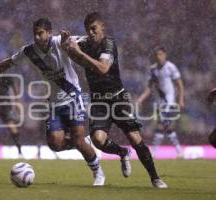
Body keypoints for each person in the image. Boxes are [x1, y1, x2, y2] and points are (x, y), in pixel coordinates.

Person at [0, 18, 105, 186]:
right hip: (53, 103)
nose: (37, 37)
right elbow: (8, 63)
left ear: (49, 33)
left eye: (40, 33)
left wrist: (88, 41)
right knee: (55, 143)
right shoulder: (29, 51)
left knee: (78, 140)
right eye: (35, 34)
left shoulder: (61, 41)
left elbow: (85, 40)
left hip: (72, 97)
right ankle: (82, 143)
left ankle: (98, 173)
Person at [61, 12, 167, 188]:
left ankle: (155, 178)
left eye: (94, 28)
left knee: (135, 138)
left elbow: (103, 68)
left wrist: (78, 52)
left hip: (118, 97)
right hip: (98, 101)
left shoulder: (109, 44)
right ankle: (122, 153)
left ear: (103, 27)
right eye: (88, 30)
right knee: (97, 140)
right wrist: (67, 47)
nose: (91, 32)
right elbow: (73, 52)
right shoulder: (85, 43)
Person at [137, 47, 185, 158]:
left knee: (161, 123)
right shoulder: (153, 69)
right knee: (166, 126)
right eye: (156, 54)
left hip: (169, 100)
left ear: (165, 55)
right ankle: (179, 151)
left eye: (160, 54)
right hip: (160, 101)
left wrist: (181, 99)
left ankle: (153, 152)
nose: (158, 56)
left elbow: (179, 85)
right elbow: (149, 88)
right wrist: (141, 99)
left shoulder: (171, 67)